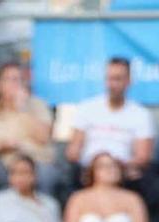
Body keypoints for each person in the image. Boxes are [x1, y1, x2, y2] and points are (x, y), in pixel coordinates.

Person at [64, 57, 154, 199]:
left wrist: (117, 165)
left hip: (124, 172)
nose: (112, 84)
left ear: (128, 81)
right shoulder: (86, 108)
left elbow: (143, 156)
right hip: (88, 171)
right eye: (109, 79)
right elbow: (73, 151)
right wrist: (96, 164)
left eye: (118, 79)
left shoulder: (140, 114)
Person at [0, 60, 56, 199]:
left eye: (19, 79)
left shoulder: (38, 105)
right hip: (4, 167)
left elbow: (44, 137)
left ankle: (41, 215)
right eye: (9, 79)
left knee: (47, 173)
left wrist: (23, 109)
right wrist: (2, 145)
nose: (15, 84)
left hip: (34, 164)